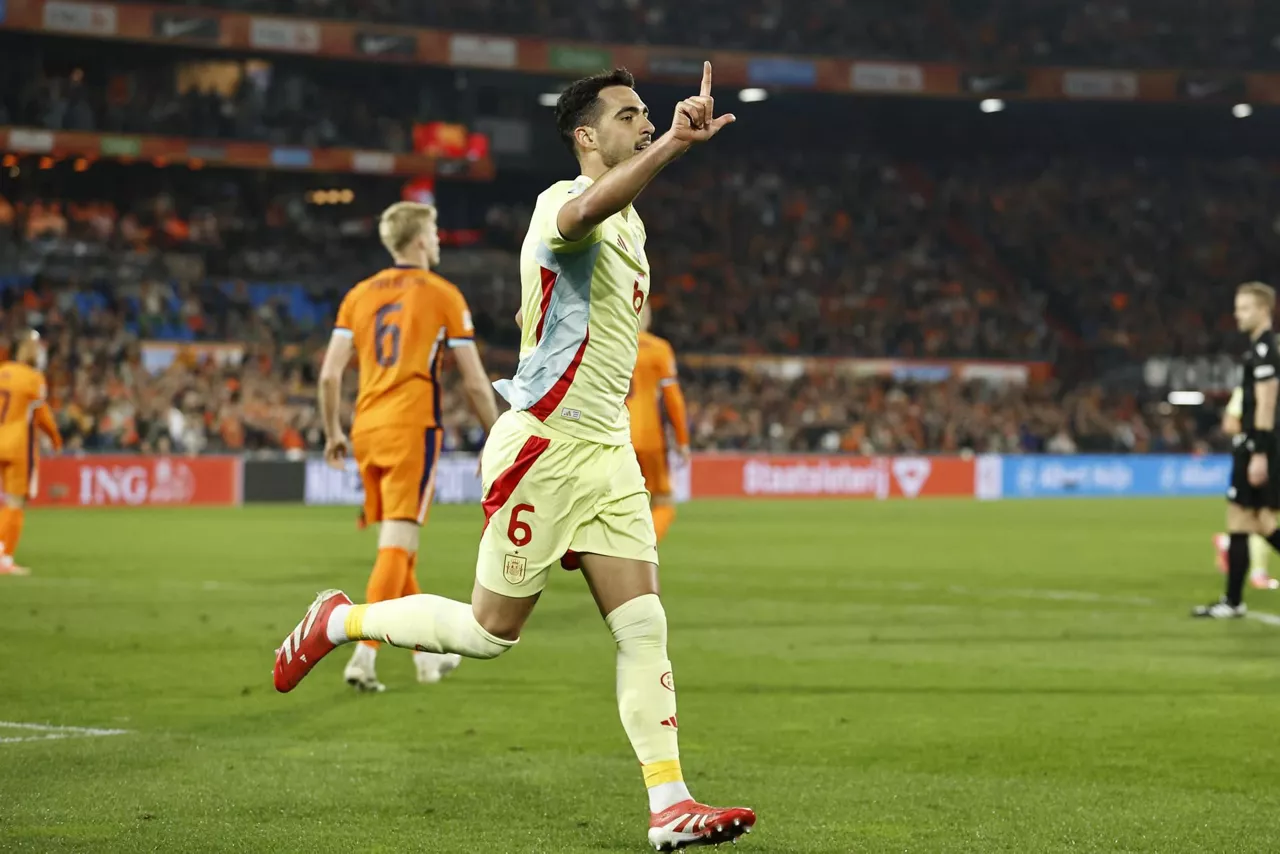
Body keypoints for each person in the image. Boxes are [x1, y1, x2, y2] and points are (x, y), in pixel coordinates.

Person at [274, 64, 756, 850]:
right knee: (491, 632)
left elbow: (613, 214)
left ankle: (668, 804)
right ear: (586, 136)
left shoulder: (631, 223)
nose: (644, 120)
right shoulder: (561, 207)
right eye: (629, 115)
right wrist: (673, 142)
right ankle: (338, 620)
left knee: (644, 628)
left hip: (608, 454)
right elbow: (589, 209)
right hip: (548, 446)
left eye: (646, 114)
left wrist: (661, 149)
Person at [316, 201, 500, 690]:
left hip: (365, 427)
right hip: (411, 428)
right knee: (395, 546)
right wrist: (501, 433)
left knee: (403, 550)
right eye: (436, 232)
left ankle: (426, 659)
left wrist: (332, 432)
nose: (438, 240)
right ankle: (362, 655)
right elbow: (477, 383)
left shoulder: (358, 295)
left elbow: (331, 373)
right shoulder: (442, 294)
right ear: (419, 239)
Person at [1195, 282, 1280, 618]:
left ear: (1263, 310)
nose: (1237, 314)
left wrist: (1259, 452)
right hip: (1255, 444)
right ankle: (1232, 601)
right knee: (1249, 521)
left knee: (1250, 520)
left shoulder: (1265, 351)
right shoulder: (1259, 349)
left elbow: (1267, 401)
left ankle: (1232, 601)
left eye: (1244, 308)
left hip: (1258, 446)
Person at [628, 304, 690, 543]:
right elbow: (673, 399)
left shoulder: (608, 345)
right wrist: (683, 441)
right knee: (663, 502)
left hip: (615, 435)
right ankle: (640, 551)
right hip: (650, 437)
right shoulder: (659, 348)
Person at [1212, 383, 1277, 589]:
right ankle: (1256, 573)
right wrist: (1259, 439)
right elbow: (1230, 423)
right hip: (1259, 462)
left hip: (1271, 459)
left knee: (1261, 520)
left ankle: (1229, 545)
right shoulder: (1254, 387)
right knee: (1260, 518)